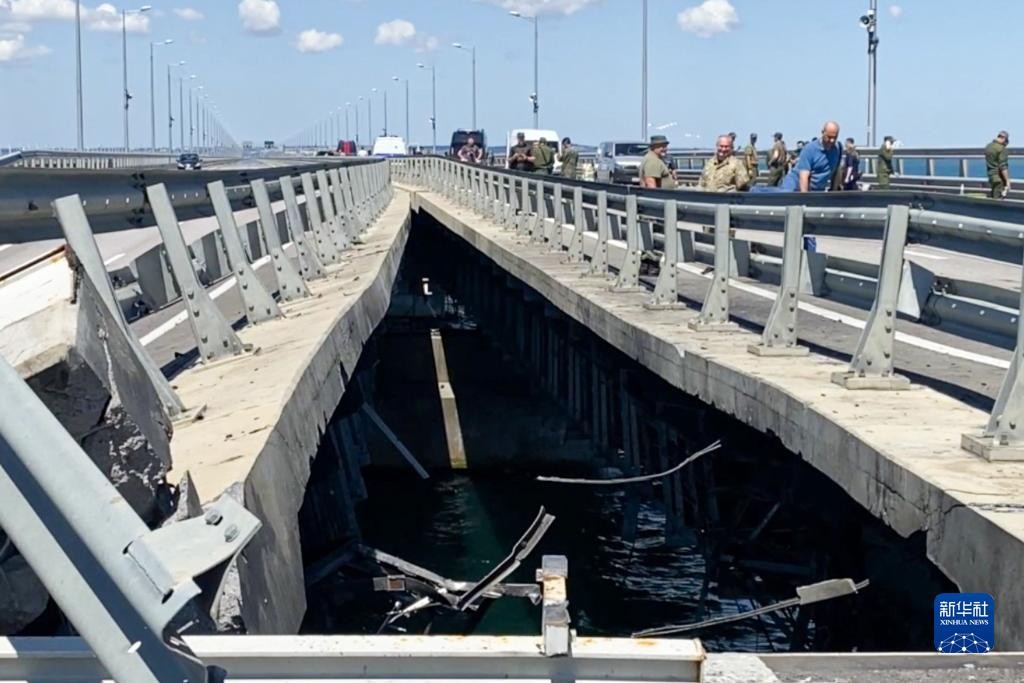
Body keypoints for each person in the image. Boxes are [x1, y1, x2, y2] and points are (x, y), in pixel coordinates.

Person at [778, 121, 842, 192]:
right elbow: (804, 176)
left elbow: (836, 171)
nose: (832, 140)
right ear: (822, 132)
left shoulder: (838, 149)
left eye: (835, 137)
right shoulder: (810, 149)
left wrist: (833, 192)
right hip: (794, 184)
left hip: (816, 188)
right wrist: (805, 197)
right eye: (829, 137)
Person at [985, 130, 1011, 199]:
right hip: (999, 179)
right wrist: (1007, 181)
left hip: (991, 177)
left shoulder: (988, 146)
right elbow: (1003, 166)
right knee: (997, 200)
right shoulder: (1001, 149)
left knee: (993, 197)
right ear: (1004, 138)